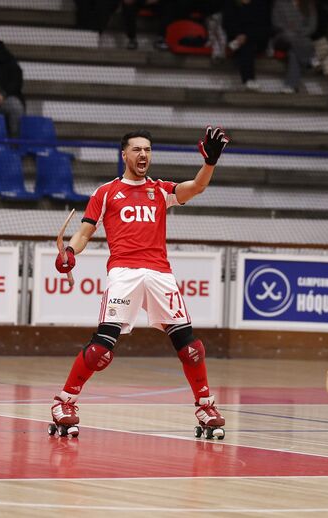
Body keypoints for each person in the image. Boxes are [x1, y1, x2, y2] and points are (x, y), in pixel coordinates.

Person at [49, 126, 230, 439]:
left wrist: (210, 162)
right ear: (124, 155)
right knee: (100, 349)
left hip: (160, 274)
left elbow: (197, 187)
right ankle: (64, 401)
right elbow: (84, 232)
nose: (143, 154)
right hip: (124, 273)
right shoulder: (106, 192)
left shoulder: (160, 190)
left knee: (191, 348)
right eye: (137, 149)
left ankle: (205, 406)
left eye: (147, 149)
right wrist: (69, 252)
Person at [222, 0, 272, 91]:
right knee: (245, 46)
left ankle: (249, 79)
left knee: (248, 44)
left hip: (257, 39)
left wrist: (247, 36)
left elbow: (264, 26)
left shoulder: (261, 4)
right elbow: (227, 23)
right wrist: (238, 35)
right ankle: (249, 80)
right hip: (237, 38)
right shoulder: (232, 3)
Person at [271, 0, 317, 93]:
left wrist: (299, 33)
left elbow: (312, 26)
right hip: (282, 38)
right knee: (289, 36)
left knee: (292, 53)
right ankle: (308, 61)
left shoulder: (308, 4)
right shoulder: (280, 3)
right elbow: (276, 22)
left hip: (301, 39)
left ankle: (290, 86)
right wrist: (288, 29)